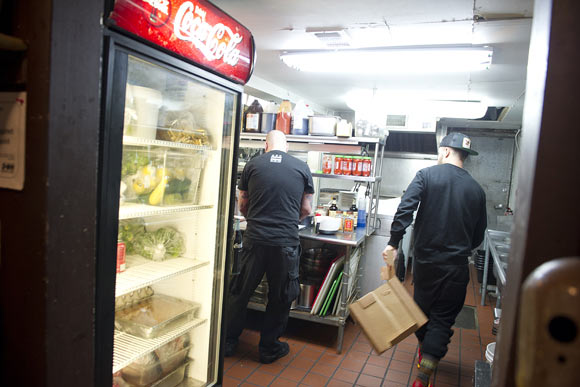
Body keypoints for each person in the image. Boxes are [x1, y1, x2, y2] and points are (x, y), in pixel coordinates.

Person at [382, 132, 487, 387]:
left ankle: (425, 354)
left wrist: (393, 242)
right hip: (456, 266)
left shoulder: (426, 175)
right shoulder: (477, 190)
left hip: (426, 264)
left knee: (421, 313)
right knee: (443, 319)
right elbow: (478, 234)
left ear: (446, 151)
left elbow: (405, 209)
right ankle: (424, 375)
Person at [225, 130, 314, 364]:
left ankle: (227, 343)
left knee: (239, 292)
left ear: (266, 145)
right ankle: (268, 348)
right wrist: (288, 220)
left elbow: (242, 203)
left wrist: (255, 216)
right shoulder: (301, 167)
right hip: (285, 243)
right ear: (286, 146)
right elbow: (307, 209)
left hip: (255, 239)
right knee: (280, 296)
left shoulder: (253, 165)